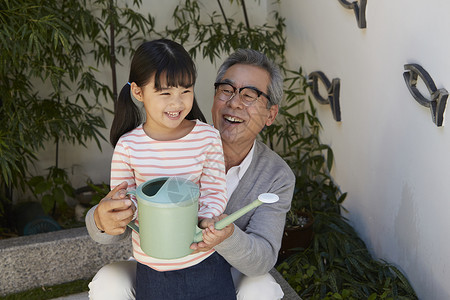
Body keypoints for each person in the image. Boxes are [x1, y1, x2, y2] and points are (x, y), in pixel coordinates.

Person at [86, 48, 295, 300]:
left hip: (221, 266)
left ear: (271, 114)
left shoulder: (276, 175)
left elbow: (262, 258)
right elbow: (121, 205)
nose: (234, 102)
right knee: (108, 282)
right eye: (226, 90)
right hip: (156, 260)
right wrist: (102, 220)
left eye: (249, 95)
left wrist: (220, 234)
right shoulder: (139, 144)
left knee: (263, 288)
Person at [92, 38, 235, 299]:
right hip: (153, 269)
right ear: (138, 92)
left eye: (185, 91)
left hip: (206, 263)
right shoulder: (128, 146)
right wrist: (129, 210)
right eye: (165, 93)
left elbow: (215, 190)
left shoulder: (207, 137)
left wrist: (206, 221)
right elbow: (126, 198)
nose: (177, 103)